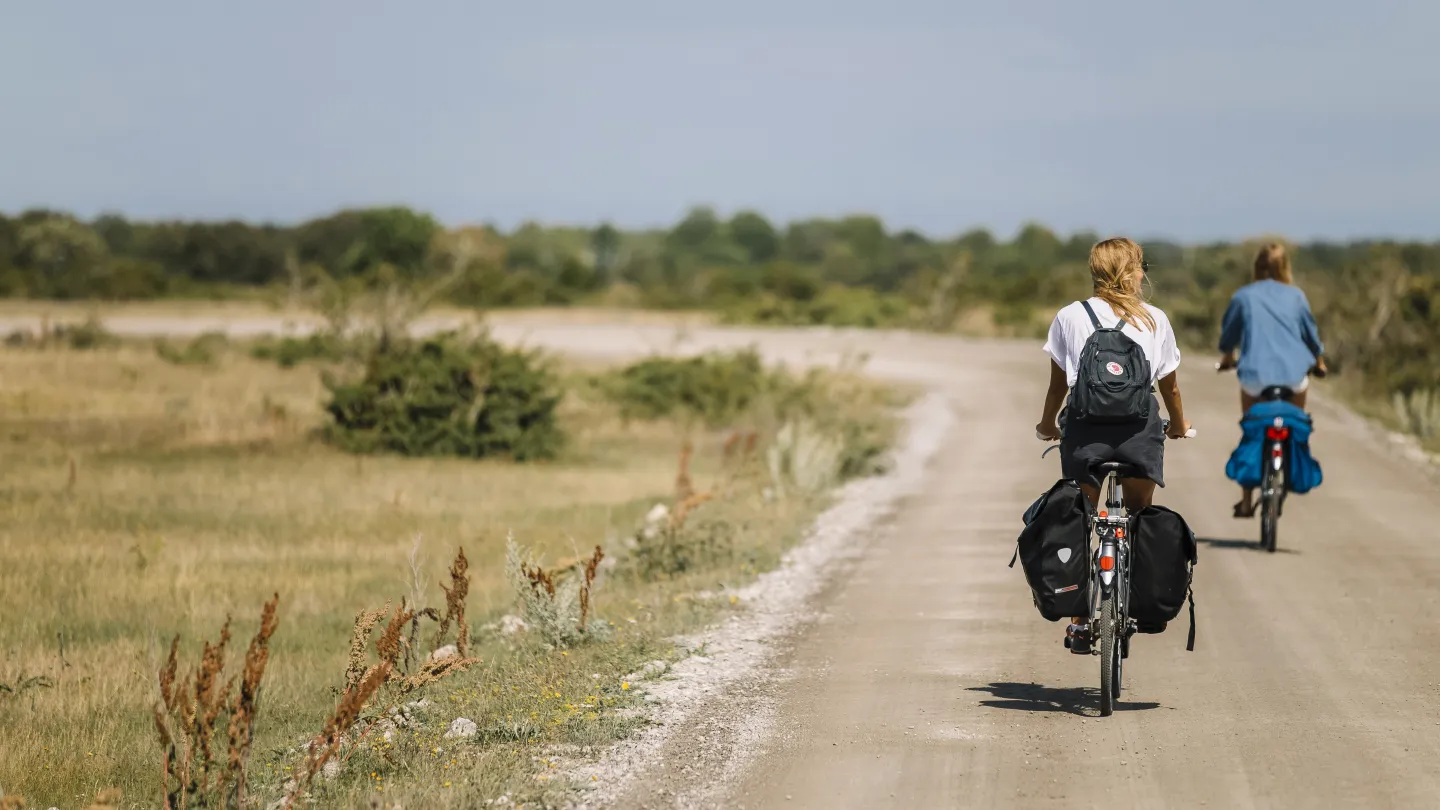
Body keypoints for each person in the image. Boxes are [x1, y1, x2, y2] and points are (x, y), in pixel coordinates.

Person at [1035, 237, 1191, 652]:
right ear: (1134, 272)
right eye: (1140, 267)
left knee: (1082, 518)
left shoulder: (1069, 316)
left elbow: (1057, 387)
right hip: (1139, 437)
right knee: (1138, 517)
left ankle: (1081, 618)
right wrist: (1178, 425)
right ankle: (1137, 603)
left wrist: (1047, 423)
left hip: (1085, 437)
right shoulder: (1155, 319)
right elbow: (1170, 389)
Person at [1216, 243, 1325, 518]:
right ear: (1285, 267)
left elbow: (1229, 337)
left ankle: (1245, 499)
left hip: (1255, 377)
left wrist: (1228, 358)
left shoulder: (1243, 297)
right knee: (1296, 423)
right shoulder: (1297, 296)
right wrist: (1320, 363)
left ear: (1257, 267)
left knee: (1252, 430)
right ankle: (1289, 466)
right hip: (1294, 377)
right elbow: (1311, 336)